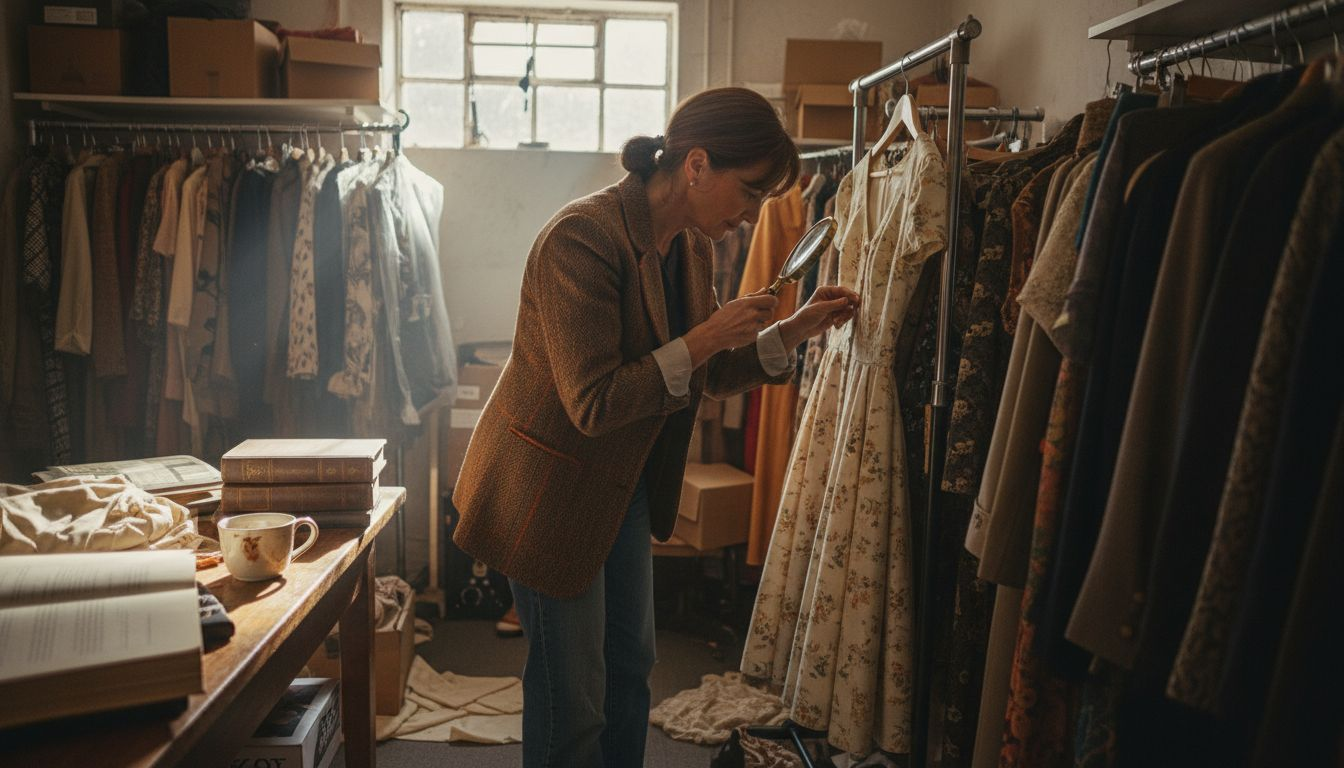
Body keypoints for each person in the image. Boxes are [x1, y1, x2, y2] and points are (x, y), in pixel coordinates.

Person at [452, 87, 861, 767]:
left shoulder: (689, 248)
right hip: (551, 491)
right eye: (751, 192)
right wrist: (702, 339)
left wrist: (794, 329)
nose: (754, 214)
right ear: (696, 165)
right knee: (573, 692)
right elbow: (594, 402)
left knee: (631, 668)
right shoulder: (580, 238)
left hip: (624, 484)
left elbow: (706, 373)